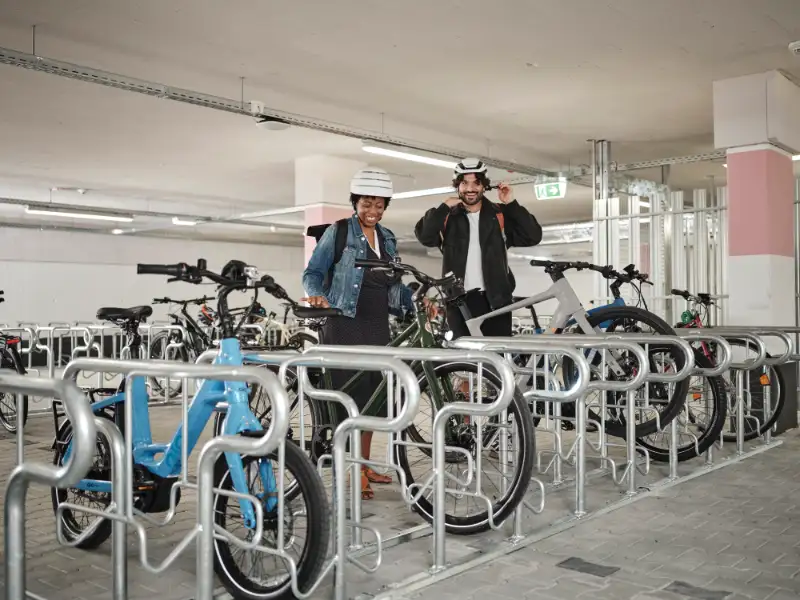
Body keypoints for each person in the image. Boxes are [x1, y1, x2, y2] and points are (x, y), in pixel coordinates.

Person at [301, 167, 413, 499]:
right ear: (355, 202)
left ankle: (362, 463)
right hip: (344, 321)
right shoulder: (337, 232)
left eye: (379, 205)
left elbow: (394, 286)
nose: (373, 211)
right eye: (367, 203)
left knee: (373, 398)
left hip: (377, 322)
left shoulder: (389, 238)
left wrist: (415, 301)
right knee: (347, 399)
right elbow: (313, 272)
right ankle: (350, 466)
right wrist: (316, 294)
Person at [414, 158, 542, 338]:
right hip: (459, 302)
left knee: (496, 359)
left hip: (497, 301)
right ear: (457, 186)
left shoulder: (499, 214)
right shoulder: (448, 218)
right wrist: (443, 207)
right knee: (464, 360)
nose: (470, 188)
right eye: (464, 183)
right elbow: (425, 237)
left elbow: (533, 236)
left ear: (484, 186)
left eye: (476, 183)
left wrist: (511, 204)